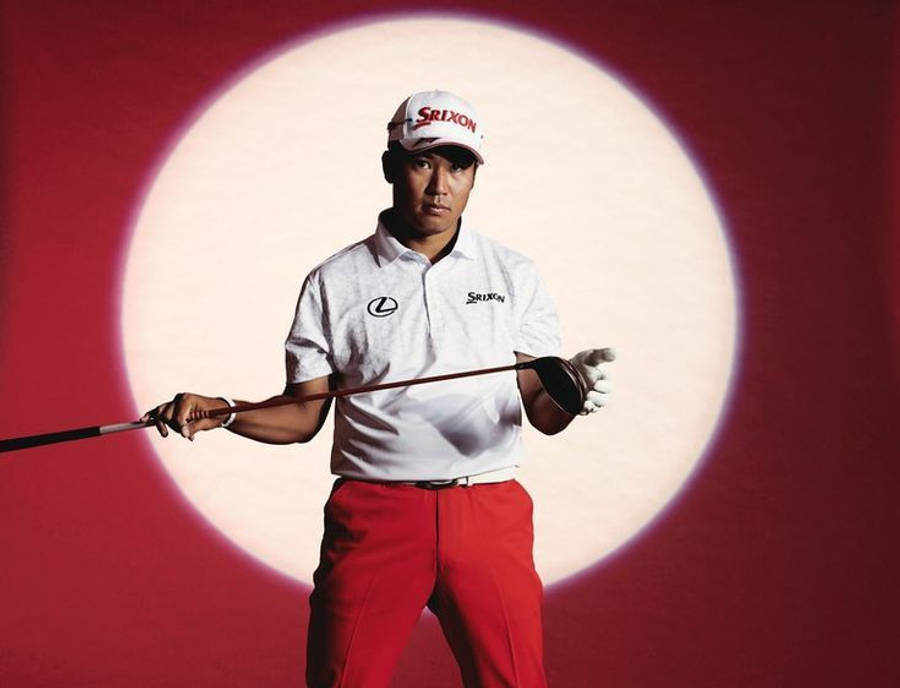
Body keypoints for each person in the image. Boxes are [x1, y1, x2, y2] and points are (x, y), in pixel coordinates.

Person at [142, 90, 614, 688]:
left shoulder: (513, 274)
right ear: (391, 165)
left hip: (488, 512)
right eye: (422, 162)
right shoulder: (334, 280)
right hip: (376, 515)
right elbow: (303, 417)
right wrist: (229, 413)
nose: (440, 186)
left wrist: (573, 392)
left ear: (474, 175)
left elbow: (540, 413)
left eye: (458, 166)